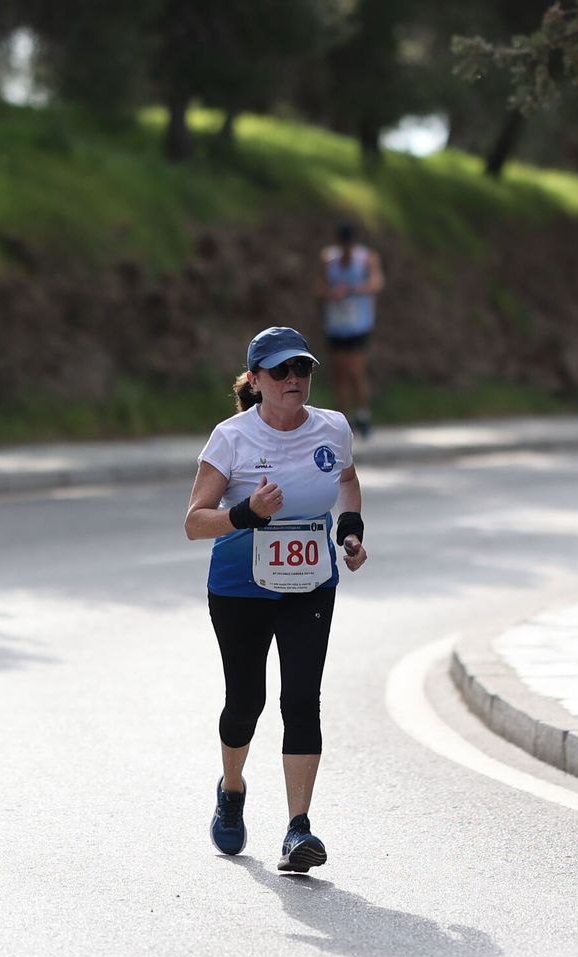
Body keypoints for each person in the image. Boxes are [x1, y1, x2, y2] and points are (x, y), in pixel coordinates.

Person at [184, 326, 367, 872]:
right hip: (240, 588)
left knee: (302, 699)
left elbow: (347, 481)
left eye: (302, 368)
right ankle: (232, 787)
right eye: (281, 370)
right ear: (256, 379)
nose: (294, 379)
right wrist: (247, 513)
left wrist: (350, 531)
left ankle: (297, 829)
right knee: (247, 703)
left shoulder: (333, 428)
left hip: (311, 585)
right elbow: (194, 522)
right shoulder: (231, 438)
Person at [316, 223, 384, 439]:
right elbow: (318, 288)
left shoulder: (366, 258)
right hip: (336, 325)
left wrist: (355, 289)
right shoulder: (328, 259)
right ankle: (343, 420)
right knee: (340, 374)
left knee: (356, 371)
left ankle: (363, 414)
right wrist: (332, 293)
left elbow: (376, 283)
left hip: (358, 324)